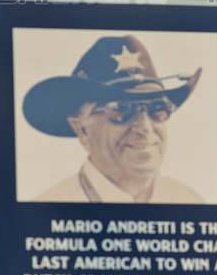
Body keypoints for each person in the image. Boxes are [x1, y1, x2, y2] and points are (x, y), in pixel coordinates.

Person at [21, 34, 204, 204]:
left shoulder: (190, 202)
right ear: (82, 130)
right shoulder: (51, 206)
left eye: (157, 109)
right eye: (122, 110)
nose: (145, 127)